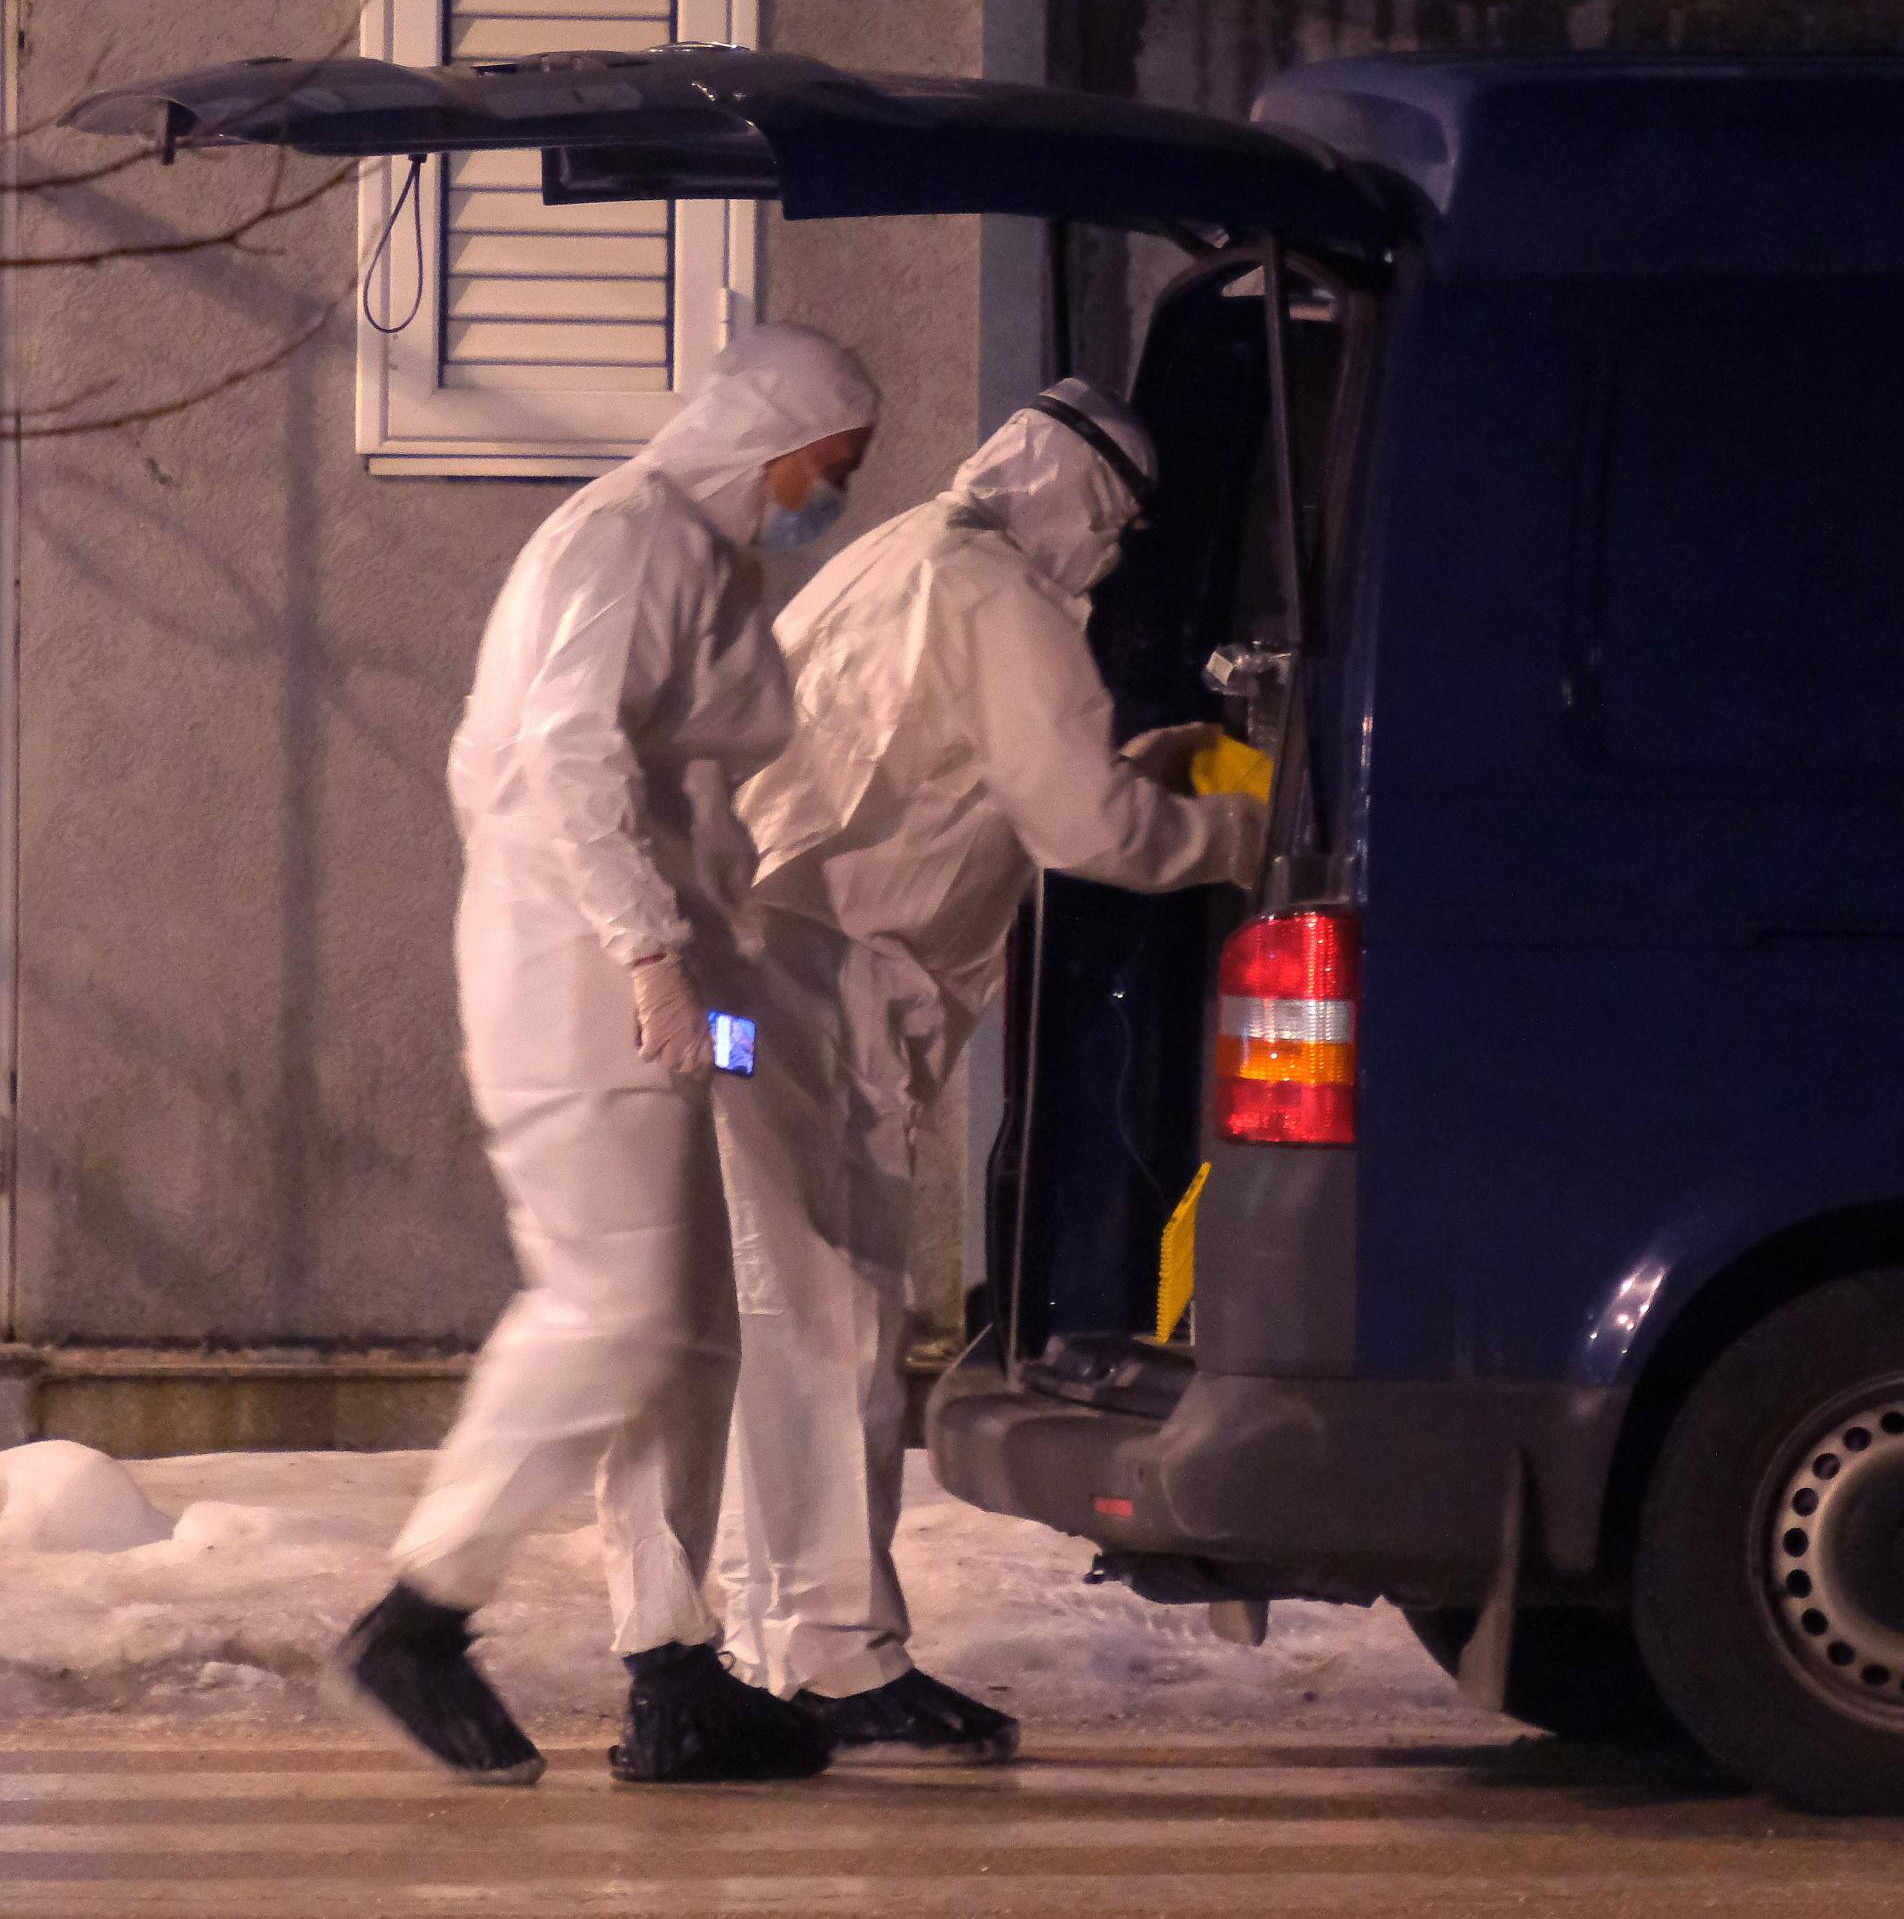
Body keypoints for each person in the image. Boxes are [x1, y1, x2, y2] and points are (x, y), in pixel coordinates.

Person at [335, 325, 881, 1787]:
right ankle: (421, 1614)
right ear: (764, 434)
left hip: (662, 973)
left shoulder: (699, 556)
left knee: (691, 1327)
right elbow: (557, 755)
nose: (827, 495)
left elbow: (677, 804)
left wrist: (740, 1006)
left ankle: (671, 1668)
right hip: (581, 978)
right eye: (826, 468)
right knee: (616, 1312)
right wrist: (644, 948)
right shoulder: (628, 535)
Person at [693, 380, 1265, 1761]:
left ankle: (766, 1636)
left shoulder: (899, 556)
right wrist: (1227, 835)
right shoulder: (1003, 598)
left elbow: (961, 773)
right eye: (1117, 524)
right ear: (1079, 496)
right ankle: (838, 1660)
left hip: (751, 975)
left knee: (777, 1324)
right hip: (827, 985)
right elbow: (1087, 834)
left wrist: (1129, 764)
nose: (1116, 555)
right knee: (831, 1329)